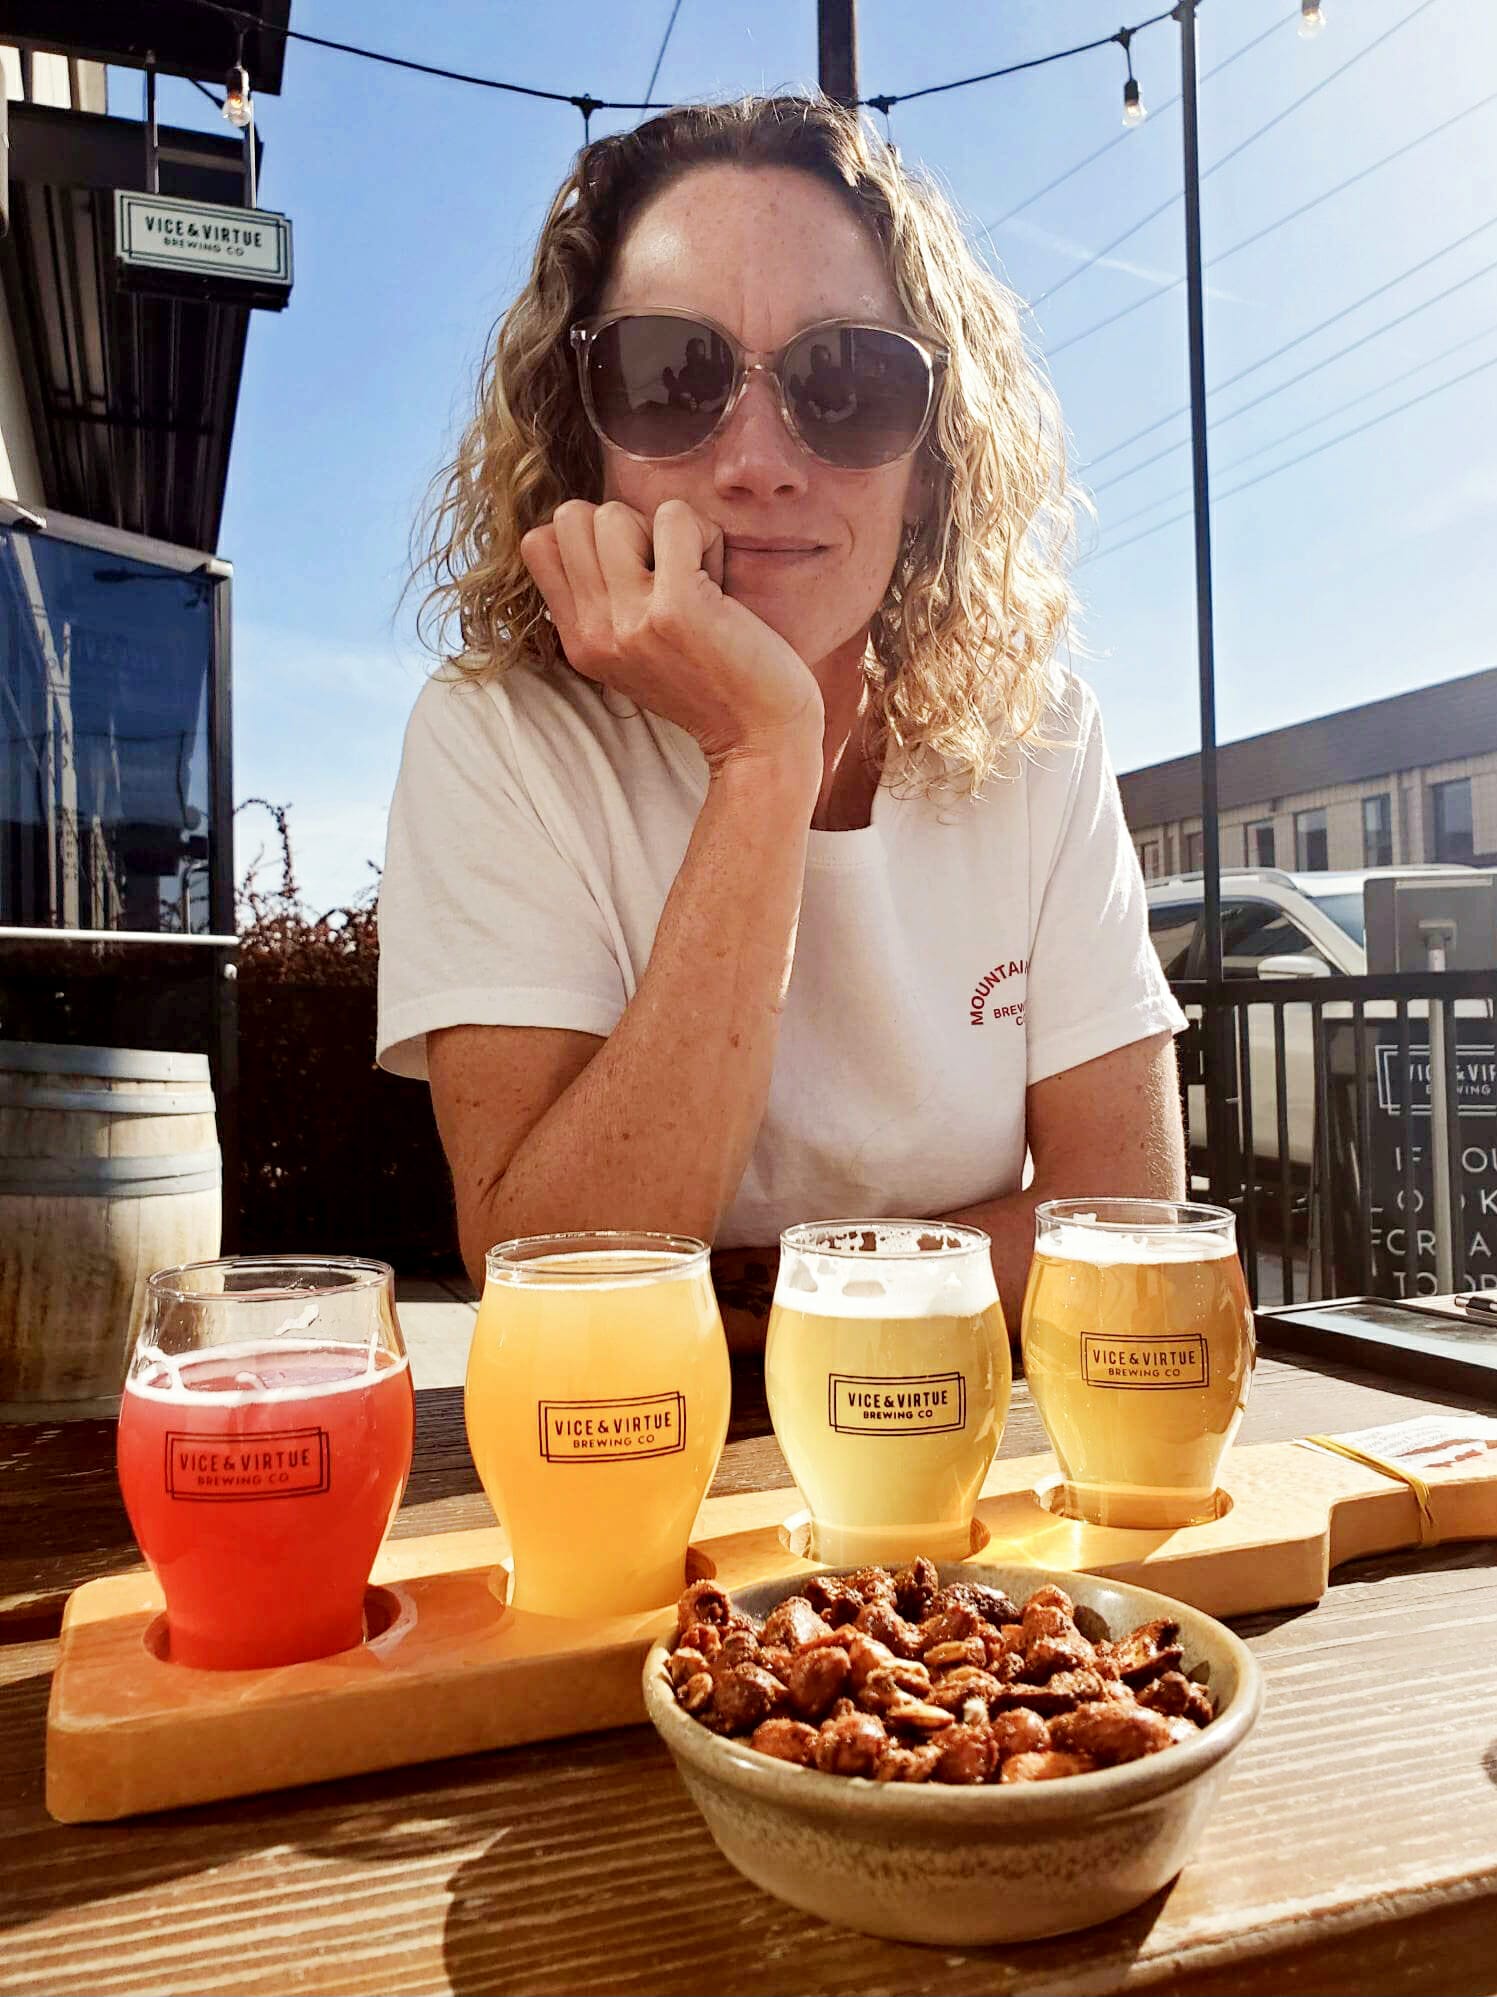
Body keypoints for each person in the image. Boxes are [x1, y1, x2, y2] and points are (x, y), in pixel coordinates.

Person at [377, 94, 1186, 1346]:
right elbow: (560, 1283)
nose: (757, 459)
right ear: (586, 439)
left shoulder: (1040, 736)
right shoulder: (499, 737)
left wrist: (766, 1287)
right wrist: (763, 756)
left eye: (848, 381)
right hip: (636, 1443)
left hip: (979, 1443)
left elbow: (1128, 1221)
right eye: (668, 375)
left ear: (932, 468)